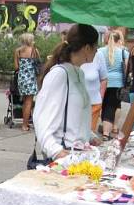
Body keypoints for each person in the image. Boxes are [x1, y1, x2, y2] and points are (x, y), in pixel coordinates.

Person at [33, 24, 98, 162]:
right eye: (95, 47)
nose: (97, 51)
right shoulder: (59, 75)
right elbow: (42, 120)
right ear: (87, 48)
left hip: (79, 154)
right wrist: (56, 152)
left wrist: (91, 137)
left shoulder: (79, 73)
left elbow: (76, 117)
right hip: (64, 156)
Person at [98, 31, 129, 140]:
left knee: (104, 105)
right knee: (112, 106)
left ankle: (105, 129)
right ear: (117, 40)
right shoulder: (123, 52)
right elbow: (126, 68)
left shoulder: (100, 51)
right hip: (117, 83)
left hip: (103, 81)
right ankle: (106, 132)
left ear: (106, 39)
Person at [14, 33, 41, 131]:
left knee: (25, 101)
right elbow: (38, 64)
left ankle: (24, 122)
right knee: (29, 102)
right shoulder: (34, 51)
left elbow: (16, 67)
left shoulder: (18, 51)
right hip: (31, 78)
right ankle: (24, 125)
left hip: (21, 78)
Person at [82, 43, 108, 133]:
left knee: (88, 135)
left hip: (94, 104)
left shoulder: (99, 55)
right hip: (77, 104)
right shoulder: (75, 56)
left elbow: (104, 79)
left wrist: (100, 98)